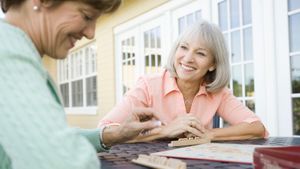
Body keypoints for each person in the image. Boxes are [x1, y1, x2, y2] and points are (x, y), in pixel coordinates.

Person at [0, 0, 161, 169]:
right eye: (87, 16)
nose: (91, 33)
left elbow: (38, 139)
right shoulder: (9, 53)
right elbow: (59, 160)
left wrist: (115, 134)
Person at [98, 20, 267, 142]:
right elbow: (105, 129)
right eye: (184, 47)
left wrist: (210, 134)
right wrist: (164, 131)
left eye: (200, 53)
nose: (187, 59)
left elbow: (257, 128)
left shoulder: (217, 92)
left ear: (213, 64)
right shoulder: (148, 85)